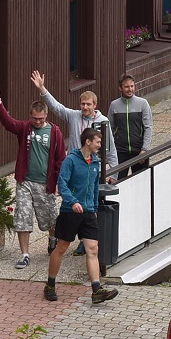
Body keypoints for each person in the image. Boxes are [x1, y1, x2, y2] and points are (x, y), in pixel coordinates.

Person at [31, 69, 117, 254]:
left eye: (88, 104)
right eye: (83, 104)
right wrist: (42, 89)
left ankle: (86, 240)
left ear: (95, 105)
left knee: (91, 202)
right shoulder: (73, 116)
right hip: (74, 167)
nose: (85, 107)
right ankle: (69, 236)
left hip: (92, 168)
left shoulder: (103, 121)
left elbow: (110, 148)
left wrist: (114, 173)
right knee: (72, 200)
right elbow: (56, 107)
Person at [0, 88, 65, 268]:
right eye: (34, 118)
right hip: (25, 181)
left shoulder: (55, 132)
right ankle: (25, 254)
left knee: (50, 218)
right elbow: (8, 123)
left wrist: (59, 182)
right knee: (23, 217)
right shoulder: (25, 128)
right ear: (30, 116)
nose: (37, 121)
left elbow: (60, 159)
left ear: (46, 115)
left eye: (40, 119)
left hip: (45, 184)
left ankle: (52, 239)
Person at [43, 127, 117, 304]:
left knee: (93, 249)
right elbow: (62, 184)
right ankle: (50, 285)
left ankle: (96, 290)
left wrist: (94, 208)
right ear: (88, 142)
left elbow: (95, 187)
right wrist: (72, 202)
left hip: (89, 212)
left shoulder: (96, 162)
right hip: (70, 212)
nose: (99, 145)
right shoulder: (71, 161)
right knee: (61, 248)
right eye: (98, 142)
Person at [108, 73, 153, 177]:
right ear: (120, 88)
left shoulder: (143, 103)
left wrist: (144, 149)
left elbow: (148, 127)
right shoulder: (114, 105)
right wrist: (109, 152)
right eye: (127, 87)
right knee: (119, 182)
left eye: (132, 86)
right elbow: (109, 129)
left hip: (139, 151)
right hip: (120, 152)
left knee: (141, 181)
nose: (130, 89)